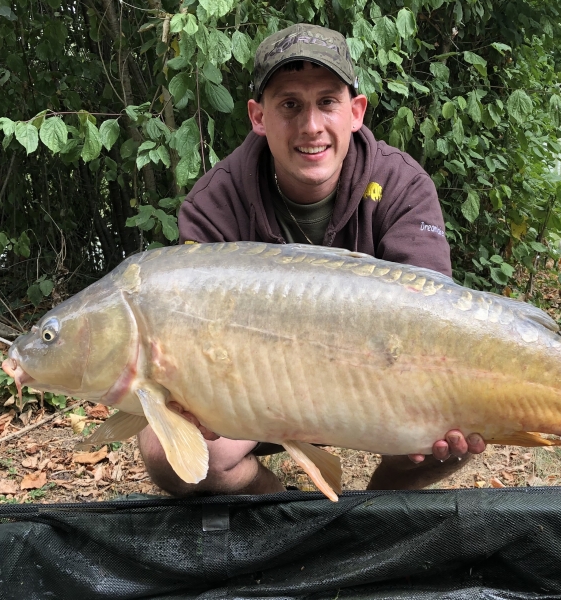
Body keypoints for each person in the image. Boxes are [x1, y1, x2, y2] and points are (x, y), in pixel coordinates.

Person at [138, 23, 486, 497]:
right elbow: (190, 344)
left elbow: (436, 320)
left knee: (457, 426)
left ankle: (375, 519)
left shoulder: (402, 186)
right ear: (258, 117)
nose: (311, 126)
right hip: (257, 395)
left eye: (327, 102)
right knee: (166, 452)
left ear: (355, 112)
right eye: (289, 105)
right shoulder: (214, 205)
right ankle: (282, 514)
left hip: (373, 389)